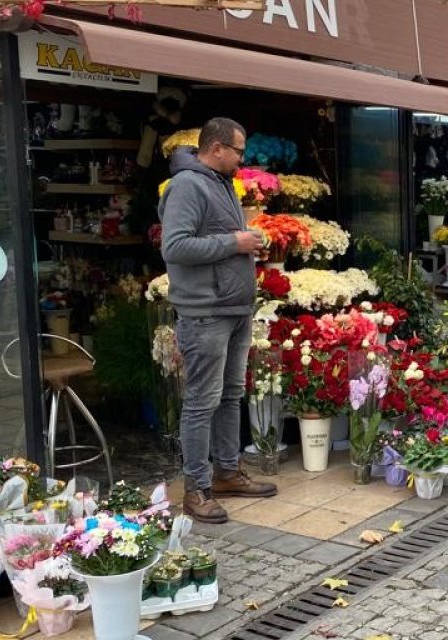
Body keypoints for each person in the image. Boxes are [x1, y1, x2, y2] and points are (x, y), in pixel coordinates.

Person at [160, 117, 276, 524]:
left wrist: (246, 248)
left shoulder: (221, 182)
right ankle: (196, 489)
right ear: (216, 148)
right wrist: (234, 242)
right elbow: (175, 247)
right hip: (205, 312)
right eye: (238, 151)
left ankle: (227, 472)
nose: (243, 159)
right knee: (201, 402)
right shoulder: (187, 185)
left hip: (233, 308)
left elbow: (216, 242)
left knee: (230, 396)